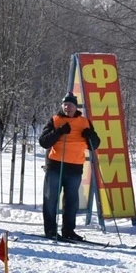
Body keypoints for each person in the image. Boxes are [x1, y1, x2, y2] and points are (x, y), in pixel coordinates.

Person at [39, 93, 99, 242]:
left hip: (75, 168)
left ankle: (68, 231)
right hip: (55, 166)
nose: (67, 107)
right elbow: (44, 142)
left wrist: (90, 136)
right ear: (62, 106)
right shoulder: (55, 120)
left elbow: (95, 145)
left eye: (70, 104)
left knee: (72, 201)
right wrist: (58, 132)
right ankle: (51, 230)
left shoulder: (85, 122)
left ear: (76, 106)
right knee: (50, 199)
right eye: (65, 104)